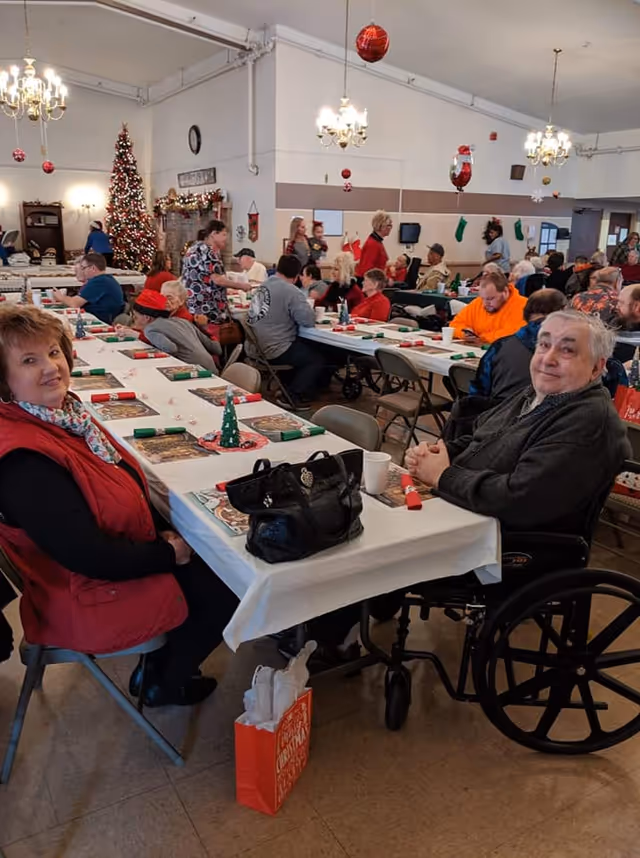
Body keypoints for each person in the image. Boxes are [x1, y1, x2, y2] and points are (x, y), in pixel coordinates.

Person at [0, 305, 238, 706]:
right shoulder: (24, 460)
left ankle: (165, 664)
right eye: (29, 360)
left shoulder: (60, 418)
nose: (51, 367)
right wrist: (167, 553)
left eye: (54, 352)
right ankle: (165, 680)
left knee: (210, 546)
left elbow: (101, 493)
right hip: (83, 597)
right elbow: (90, 556)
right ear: (4, 382)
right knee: (228, 580)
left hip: (84, 576)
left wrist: (156, 527)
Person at [407, 310, 629, 535]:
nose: (547, 359)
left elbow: (520, 500)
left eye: (567, 350)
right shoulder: (534, 394)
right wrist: (437, 453)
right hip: (465, 514)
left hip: (510, 550)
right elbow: (482, 437)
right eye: (543, 345)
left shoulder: (589, 422)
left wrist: (442, 476)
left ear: (596, 368)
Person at [246, 255, 324, 411]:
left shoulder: (263, 286)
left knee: (301, 348)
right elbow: (307, 320)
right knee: (316, 358)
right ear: (296, 276)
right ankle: (291, 395)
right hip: (274, 348)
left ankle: (286, 387)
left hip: (254, 346)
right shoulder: (291, 291)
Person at [470, 288, 567, 400]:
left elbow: (478, 394)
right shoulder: (574, 349)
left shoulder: (500, 347)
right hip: (551, 415)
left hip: (500, 413)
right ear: (564, 311)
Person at [182, 219, 250, 332]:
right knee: (212, 339)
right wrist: (241, 286)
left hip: (194, 305)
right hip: (208, 307)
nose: (226, 239)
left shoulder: (193, 248)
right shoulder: (209, 252)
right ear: (214, 234)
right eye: (224, 234)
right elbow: (217, 279)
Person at [130, 290, 221, 372]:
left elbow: (171, 348)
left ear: (147, 318)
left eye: (136, 316)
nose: (134, 319)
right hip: (212, 370)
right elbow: (216, 348)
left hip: (193, 370)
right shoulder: (182, 321)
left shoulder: (150, 329)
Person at [450, 271, 527, 343]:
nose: (485, 303)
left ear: (505, 292)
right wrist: (463, 334)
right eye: (483, 298)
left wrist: (480, 338)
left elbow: (511, 335)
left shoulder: (523, 306)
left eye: (490, 299)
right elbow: (454, 325)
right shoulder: (478, 303)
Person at [52, 253, 124, 324]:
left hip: (101, 321)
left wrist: (61, 297)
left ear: (93, 268)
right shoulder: (104, 279)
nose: (82, 271)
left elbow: (74, 303)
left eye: (83, 268)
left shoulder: (99, 281)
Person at [356, 211, 392, 279]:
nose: (390, 228)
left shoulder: (377, 242)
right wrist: (386, 280)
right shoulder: (372, 244)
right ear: (380, 226)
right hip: (371, 283)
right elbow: (366, 270)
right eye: (389, 225)